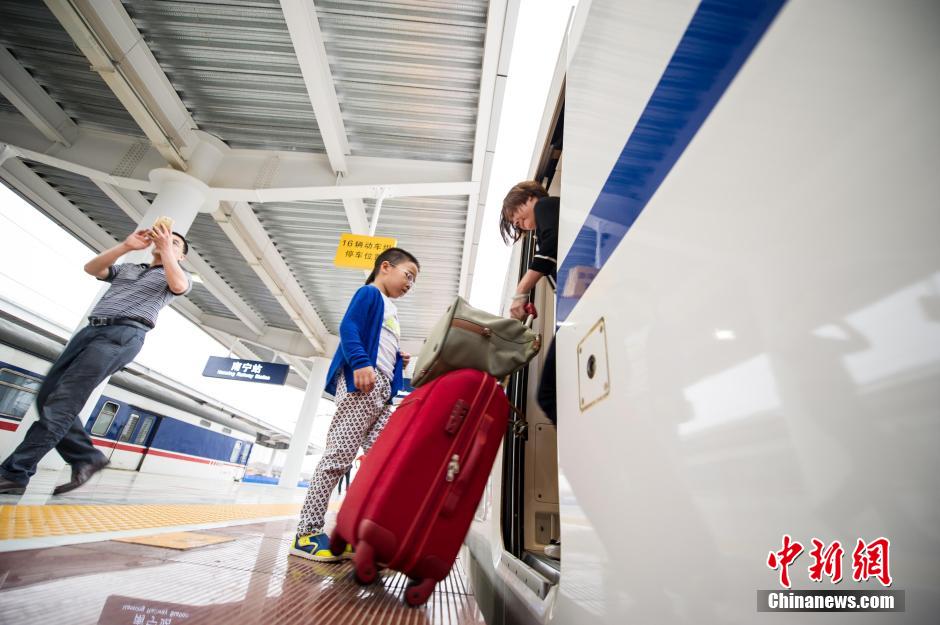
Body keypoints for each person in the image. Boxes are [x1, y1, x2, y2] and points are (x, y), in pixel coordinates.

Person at [0, 224, 191, 496]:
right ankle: (87, 457)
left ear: (181, 256)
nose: (166, 241)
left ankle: (14, 473)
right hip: (91, 330)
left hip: (123, 334)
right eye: (164, 238)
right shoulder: (130, 268)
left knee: (62, 403)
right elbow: (92, 269)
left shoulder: (177, 274)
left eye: (175, 243)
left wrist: (166, 249)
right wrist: (126, 246)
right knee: (46, 397)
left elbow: (179, 285)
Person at [290, 247, 419, 562]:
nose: (410, 284)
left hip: (381, 391)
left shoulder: (389, 308)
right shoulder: (369, 294)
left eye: (414, 280)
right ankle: (306, 533)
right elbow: (349, 328)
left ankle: (350, 534)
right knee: (337, 459)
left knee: (381, 463)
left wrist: (398, 361)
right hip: (362, 386)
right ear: (385, 267)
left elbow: (380, 343)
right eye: (408, 275)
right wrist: (361, 362)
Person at [499, 180, 559, 425]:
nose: (517, 222)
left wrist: (521, 291)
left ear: (530, 197)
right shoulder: (547, 221)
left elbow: (551, 245)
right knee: (549, 394)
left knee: (547, 395)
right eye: (515, 222)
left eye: (516, 214)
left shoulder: (546, 205)